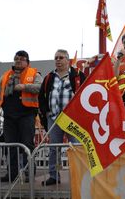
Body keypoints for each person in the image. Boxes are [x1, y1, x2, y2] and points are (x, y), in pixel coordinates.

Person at [0, 50, 42, 183]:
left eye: (22, 58)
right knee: (10, 146)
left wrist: (24, 87)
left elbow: (40, 87)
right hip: (9, 116)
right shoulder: (6, 76)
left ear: (27, 62)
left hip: (27, 115)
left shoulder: (34, 74)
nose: (18, 60)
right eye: (16, 58)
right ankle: (11, 174)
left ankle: (29, 173)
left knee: (27, 144)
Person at [38, 49, 85, 186]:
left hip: (72, 119)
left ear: (68, 60)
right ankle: (54, 175)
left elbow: (86, 93)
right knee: (54, 148)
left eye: (61, 57)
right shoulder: (48, 77)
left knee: (75, 147)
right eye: (56, 58)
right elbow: (41, 97)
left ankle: (78, 175)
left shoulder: (78, 75)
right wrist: (45, 113)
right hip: (54, 118)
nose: (58, 60)